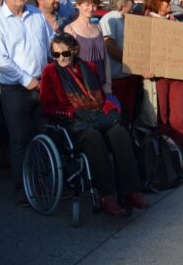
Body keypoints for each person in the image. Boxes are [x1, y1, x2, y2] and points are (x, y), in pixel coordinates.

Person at [39, 33, 149, 215]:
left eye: (64, 53)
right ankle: (108, 196)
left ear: (74, 50)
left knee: (120, 132)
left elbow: (101, 98)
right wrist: (72, 111)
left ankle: (131, 191)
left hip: (96, 115)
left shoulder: (88, 67)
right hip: (72, 122)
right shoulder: (50, 72)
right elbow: (47, 105)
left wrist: (111, 109)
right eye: (55, 54)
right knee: (94, 138)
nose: (60, 58)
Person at [0, 0, 51, 205]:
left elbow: (49, 43)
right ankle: (24, 187)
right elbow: (0, 61)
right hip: (14, 89)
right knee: (20, 139)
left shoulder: (36, 14)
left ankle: (45, 182)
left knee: (44, 134)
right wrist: (27, 80)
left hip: (41, 84)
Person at [144, 0, 183, 149]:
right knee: (160, 117)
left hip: (177, 76)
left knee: (178, 118)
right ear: (156, 2)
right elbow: (140, 51)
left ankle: (177, 156)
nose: (169, 3)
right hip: (157, 77)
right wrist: (145, 68)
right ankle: (161, 158)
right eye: (166, 0)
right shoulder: (145, 23)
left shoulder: (176, 22)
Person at [99, 0, 140, 126]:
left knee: (130, 112)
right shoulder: (110, 18)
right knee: (119, 113)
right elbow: (110, 46)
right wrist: (129, 61)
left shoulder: (130, 18)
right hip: (117, 77)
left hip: (130, 75)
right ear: (123, 1)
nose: (133, 2)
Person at [63, 0, 112, 95]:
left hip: (101, 85)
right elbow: (68, 62)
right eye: (87, 4)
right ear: (78, 5)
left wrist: (108, 83)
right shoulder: (70, 29)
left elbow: (105, 58)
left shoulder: (98, 27)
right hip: (83, 87)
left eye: (94, 5)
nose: (90, 8)